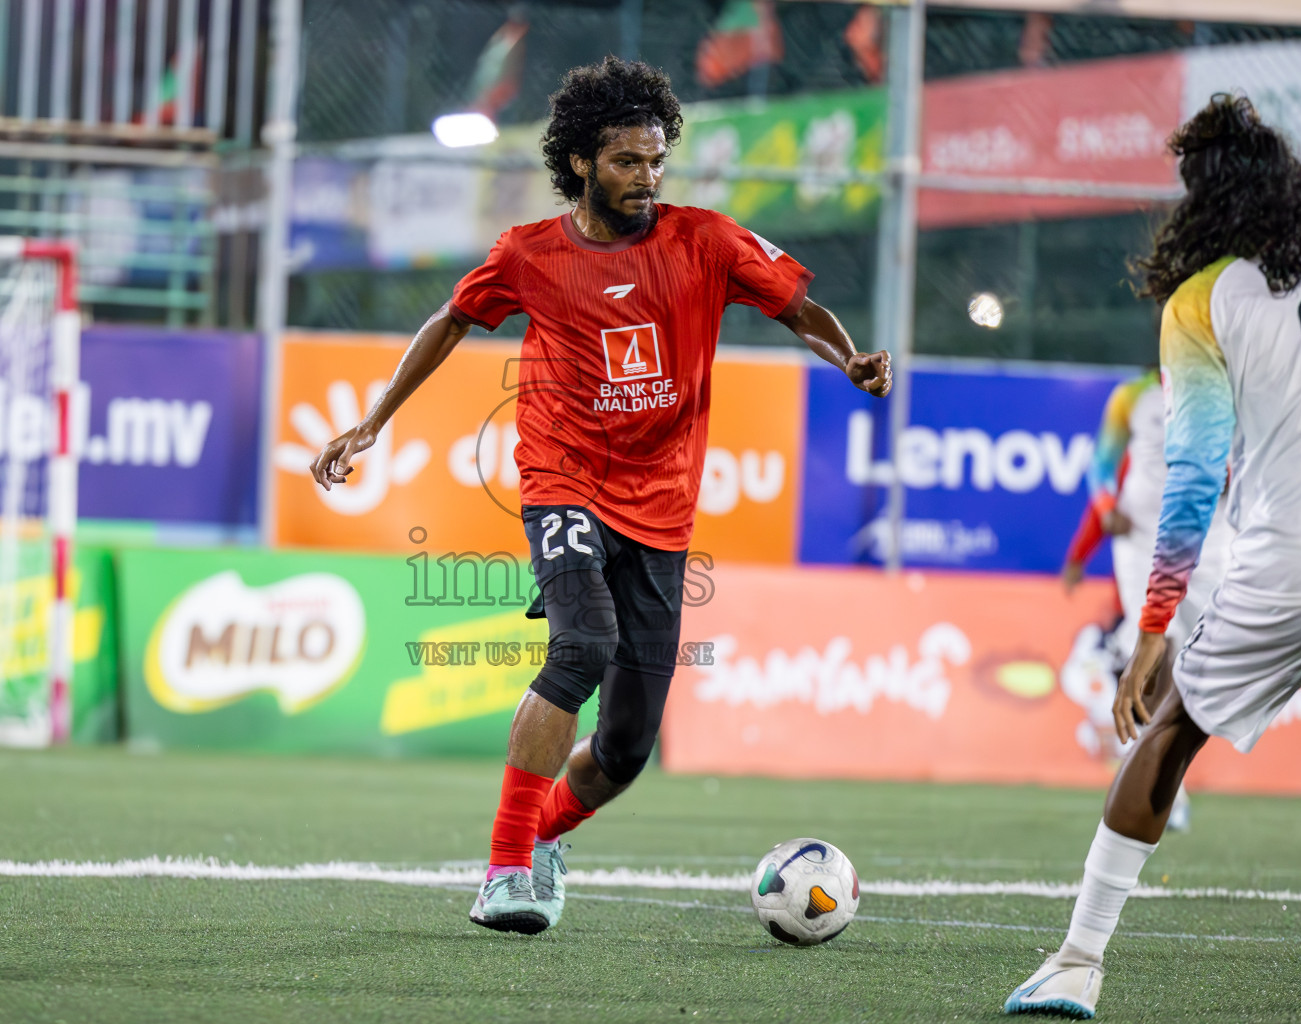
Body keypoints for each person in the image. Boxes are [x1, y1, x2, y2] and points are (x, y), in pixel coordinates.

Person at [310, 57, 891, 934]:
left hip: (661, 508)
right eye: (628, 162)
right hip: (563, 482)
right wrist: (375, 420)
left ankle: (538, 838)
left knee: (624, 749)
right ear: (582, 161)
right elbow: (452, 320)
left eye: (657, 161)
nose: (648, 178)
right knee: (582, 645)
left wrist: (847, 357)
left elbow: (798, 308)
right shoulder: (530, 254)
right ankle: (507, 871)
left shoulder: (706, 240)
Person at [1005, 94, 1301, 1018]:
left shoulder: (1201, 303)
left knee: (1171, 731)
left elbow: (1190, 484)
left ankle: (1076, 962)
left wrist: (1151, 629)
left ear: (1202, 202)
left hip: (1292, 559)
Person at [1060, 364, 1237, 832]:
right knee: (1159, 646)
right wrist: (1104, 508)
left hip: (1211, 534)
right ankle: (1158, 781)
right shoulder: (1132, 395)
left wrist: (1234, 478)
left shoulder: (1231, 383)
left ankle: (1161, 765)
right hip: (1142, 537)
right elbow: (1101, 463)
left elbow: (1255, 460)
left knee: (1198, 659)